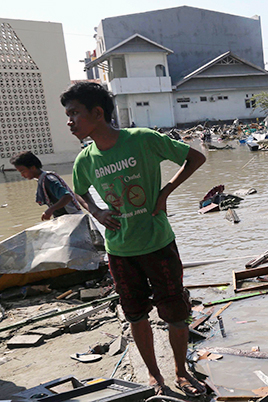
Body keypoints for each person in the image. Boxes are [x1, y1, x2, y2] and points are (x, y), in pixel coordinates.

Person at [62, 82, 207, 396]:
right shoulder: (84, 160)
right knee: (136, 315)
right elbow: (81, 191)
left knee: (176, 313)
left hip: (159, 244)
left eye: (74, 113)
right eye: (68, 114)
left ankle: (182, 372)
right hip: (120, 251)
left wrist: (166, 191)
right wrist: (98, 214)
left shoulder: (143, 139)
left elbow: (195, 158)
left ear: (97, 113)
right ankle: (155, 377)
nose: (69, 121)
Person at [11, 151, 82, 220]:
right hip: (65, 218)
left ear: (33, 168)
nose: (22, 175)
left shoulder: (49, 180)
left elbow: (67, 197)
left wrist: (50, 210)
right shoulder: (42, 180)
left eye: (23, 171)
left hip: (73, 218)